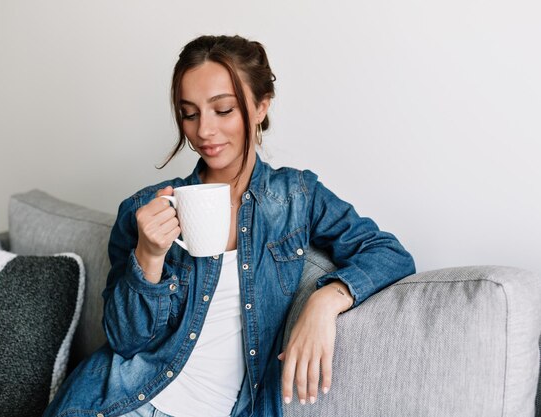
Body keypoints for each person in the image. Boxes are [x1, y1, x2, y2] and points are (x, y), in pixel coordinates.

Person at [43, 35, 415, 417]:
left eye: (223, 110)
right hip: (120, 404)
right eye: (190, 113)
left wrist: (325, 302)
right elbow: (125, 341)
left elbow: (388, 253)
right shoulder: (143, 209)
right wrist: (149, 257)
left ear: (260, 107)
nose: (204, 131)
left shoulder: (297, 196)